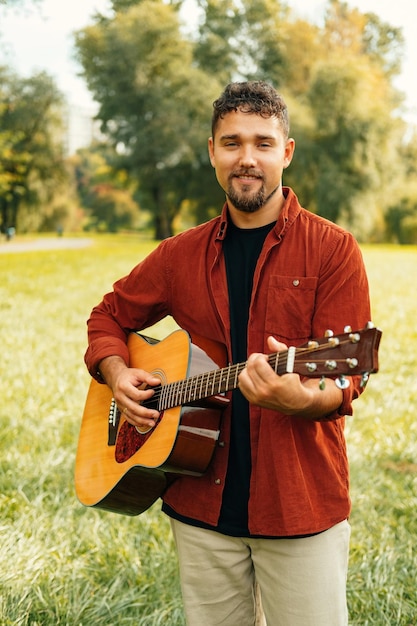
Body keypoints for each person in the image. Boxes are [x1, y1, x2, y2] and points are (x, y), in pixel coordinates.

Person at [84, 80, 372, 626]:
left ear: (286, 153)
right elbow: (108, 316)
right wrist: (117, 371)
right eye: (232, 143)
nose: (247, 158)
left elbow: (344, 381)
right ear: (211, 151)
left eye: (263, 143)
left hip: (298, 504)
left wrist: (300, 399)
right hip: (198, 504)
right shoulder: (179, 254)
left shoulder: (333, 249)